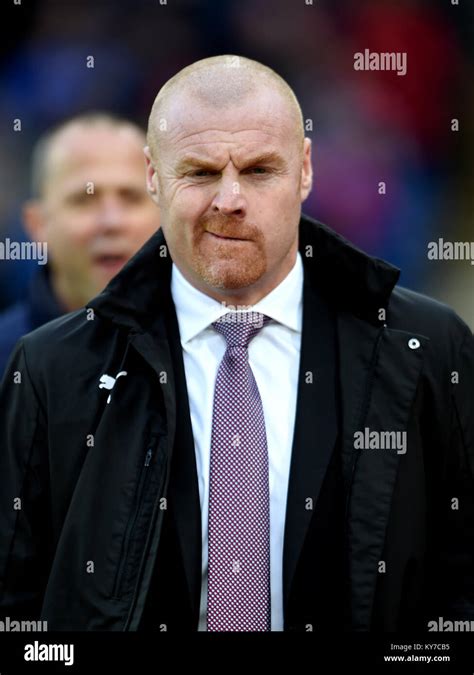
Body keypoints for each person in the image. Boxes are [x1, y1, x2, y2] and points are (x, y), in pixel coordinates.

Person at [0, 55, 473, 632]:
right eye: (199, 172)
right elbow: (18, 605)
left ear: (304, 170)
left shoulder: (428, 345)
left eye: (258, 170)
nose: (229, 200)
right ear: (155, 177)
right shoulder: (52, 366)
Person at [0, 113, 160, 376]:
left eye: (131, 197)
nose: (112, 221)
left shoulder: (208, 350)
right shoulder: (9, 365)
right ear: (37, 224)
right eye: (83, 200)